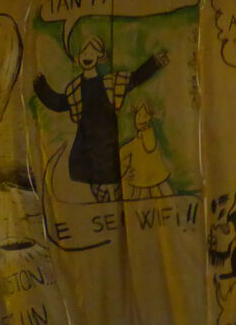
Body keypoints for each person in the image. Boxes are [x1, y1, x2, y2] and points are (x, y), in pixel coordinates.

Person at [32, 36, 170, 203]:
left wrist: (153, 64)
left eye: (93, 51)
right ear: (79, 57)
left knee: (112, 188)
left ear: (99, 56)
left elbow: (133, 79)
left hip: (107, 146)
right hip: (86, 148)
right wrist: (40, 86)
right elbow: (59, 103)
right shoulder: (75, 88)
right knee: (96, 191)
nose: (88, 55)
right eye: (85, 52)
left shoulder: (110, 83)